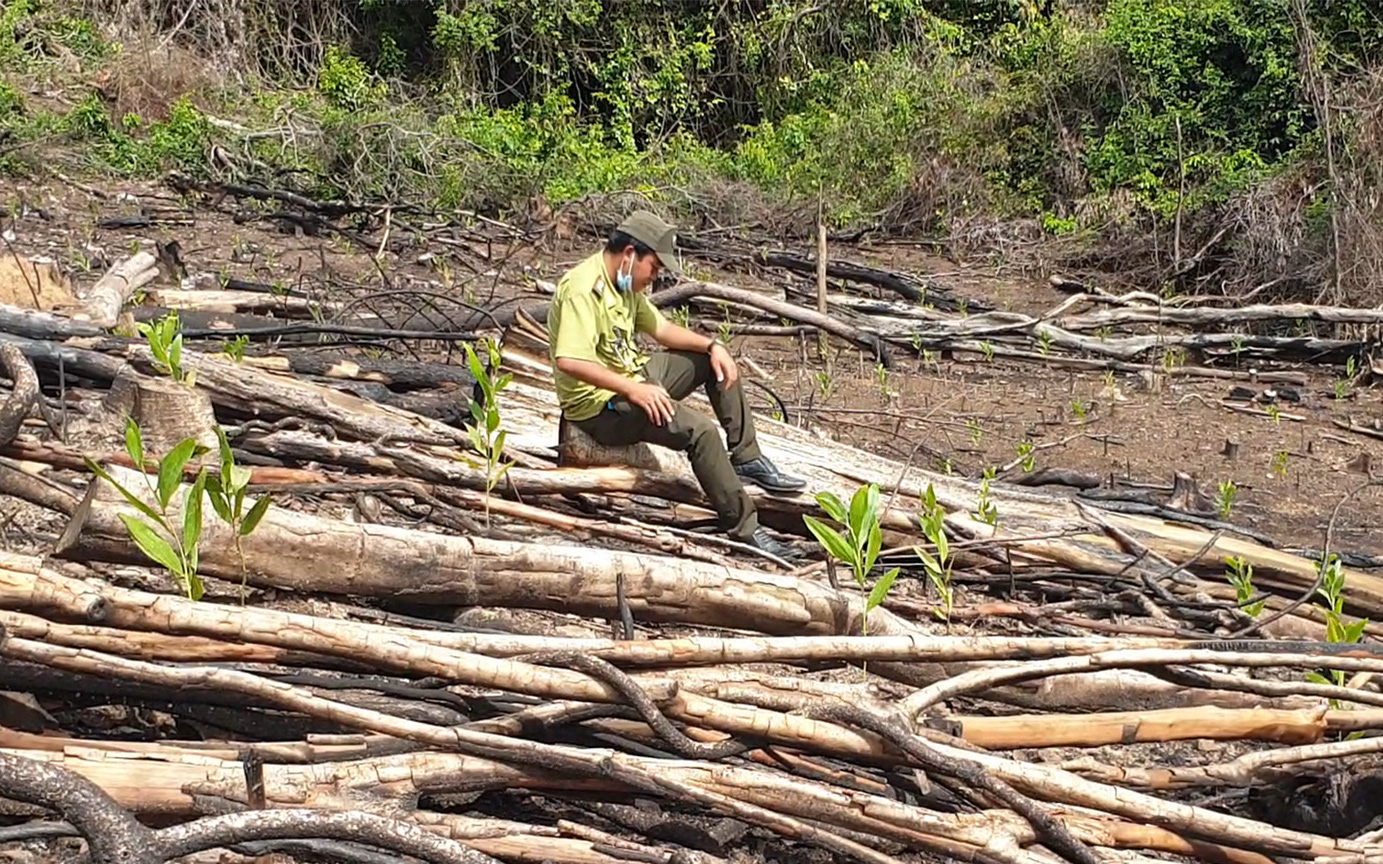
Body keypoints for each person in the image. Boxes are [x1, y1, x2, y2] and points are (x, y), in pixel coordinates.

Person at [547, 210, 807, 561]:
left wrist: (713, 346)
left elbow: (663, 331)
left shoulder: (624, 283)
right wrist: (633, 389)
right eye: (653, 268)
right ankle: (745, 529)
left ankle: (747, 457)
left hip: (634, 376)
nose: (654, 278)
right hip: (602, 407)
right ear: (629, 255)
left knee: (710, 364)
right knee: (700, 432)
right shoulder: (582, 288)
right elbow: (569, 360)